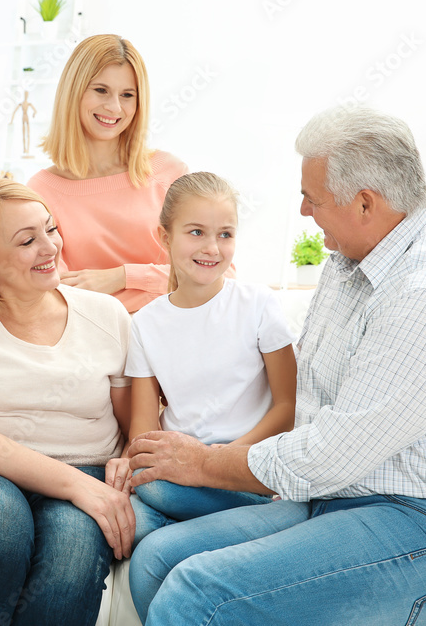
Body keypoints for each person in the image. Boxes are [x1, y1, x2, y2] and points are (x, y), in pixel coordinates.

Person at [126, 107, 426, 625]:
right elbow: (312, 408)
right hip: (339, 496)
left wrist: (203, 463)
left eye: (312, 198)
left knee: (194, 593)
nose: (303, 209)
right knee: (156, 561)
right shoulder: (350, 260)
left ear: (364, 203)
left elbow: (330, 453)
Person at [0, 179, 134, 626]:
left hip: (83, 465)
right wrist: (78, 486)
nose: (50, 247)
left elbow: (134, 426)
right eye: (28, 240)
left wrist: (124, 465)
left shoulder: (106, 314)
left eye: (51, 229)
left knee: (72, 551)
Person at [125, 171, 297, 546]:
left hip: (246, 469)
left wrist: (215, 460)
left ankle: (217, 522)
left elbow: (287, 408)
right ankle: (204, 532)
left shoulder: (258, 305)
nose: (212, 248)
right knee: (139, 512)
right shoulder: (145, 324)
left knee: (159, 494)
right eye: (196, 232)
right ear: (165, 237)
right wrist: (144, 463)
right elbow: (142, 425)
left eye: (225, 234)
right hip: (176, 474)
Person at [26, 34, 192, 312]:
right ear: (74, 92)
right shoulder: (41, 192)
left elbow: (216, 274)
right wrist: (162, 285)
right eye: (101, 90)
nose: (114, 107)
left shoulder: (170, 173)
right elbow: (59, 295)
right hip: (96, 341)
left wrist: (120, 277)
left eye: (127, 95)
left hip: (175, 334)